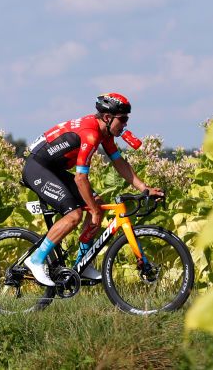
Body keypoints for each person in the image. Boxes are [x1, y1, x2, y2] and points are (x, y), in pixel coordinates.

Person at [22, 93, 162, 285]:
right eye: (122, 119)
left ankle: (82, 263)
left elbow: (119, 162)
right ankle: (36, 259)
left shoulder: (105, 134)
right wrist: (94, 212)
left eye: (126, 119)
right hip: (37, 168)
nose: (125, 125)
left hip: (54, 169)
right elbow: (81, 178)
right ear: (107, 117)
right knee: (75, 215)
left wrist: (144, 188)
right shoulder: (91, 133)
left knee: (97, 204)